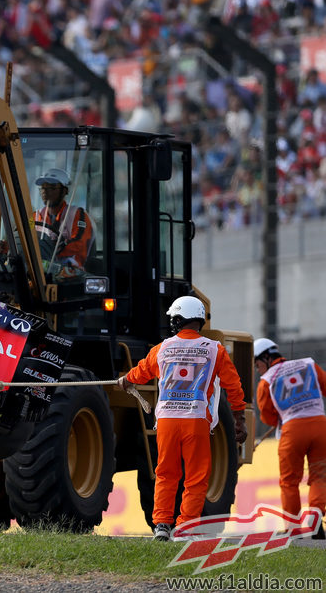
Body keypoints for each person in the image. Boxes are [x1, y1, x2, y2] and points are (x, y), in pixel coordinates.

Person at [117, 296, 247, 541]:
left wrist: (126, 380)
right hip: (195, 421)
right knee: (196, 476)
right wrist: (239, 418)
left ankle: (162, 525)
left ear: (178, 320)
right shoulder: (214, 349)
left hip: (166, 420)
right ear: (198, 320)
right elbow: (233, 386)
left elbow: (142, 371)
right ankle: (186, 527)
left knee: (166, 473)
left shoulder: (162, 348)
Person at [254, 338, 326, 540]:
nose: (258, 369)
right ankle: (316, 518)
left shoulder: (266, 381)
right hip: (320, 426)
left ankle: (293, 530)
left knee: (289, 481)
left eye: (257, 364)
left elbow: (268, 417)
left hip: (292, 431)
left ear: (266, 358)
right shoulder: (309, 364)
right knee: (320, 476)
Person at [33, 167, 93, 279]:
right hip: (39, 273)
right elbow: (23, 239)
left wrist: (48, 252)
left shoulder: (77, 214)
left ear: (65, 191)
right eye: (43, 187)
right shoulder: (34, 216)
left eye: (52, 187)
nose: (45, 191)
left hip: (71, 274)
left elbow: (78, 244)